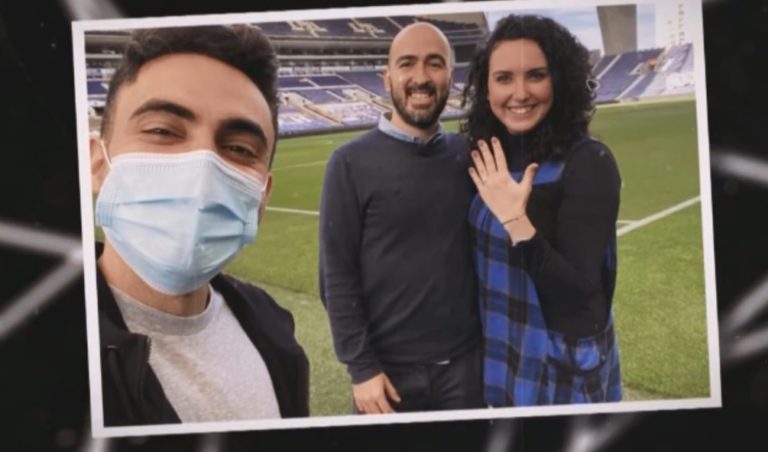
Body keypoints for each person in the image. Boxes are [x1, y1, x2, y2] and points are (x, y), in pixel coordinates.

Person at [90, 25, 309, 426]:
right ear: (98, 164)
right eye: (162, 130)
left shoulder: (275, 328)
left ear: (262, 196)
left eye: (239, 149)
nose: (203, 170)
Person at [318, 22, 483, 414]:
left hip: (465, 369)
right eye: (407, 64)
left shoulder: (468, 155)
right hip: (388, 378)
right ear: (387, 77)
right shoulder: (348, 163)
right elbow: (336, 275)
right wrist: (361, 369)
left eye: (435, 64)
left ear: (450, 75)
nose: (421, 78)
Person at [461, 14, 622, 406]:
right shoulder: (489, 153)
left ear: (560, 81)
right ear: (486, 88)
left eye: (536, 75)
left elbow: (578, 292)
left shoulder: (589, 161)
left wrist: (517, 221)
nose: (519, 93)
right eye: (503, 78)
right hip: (502, 348)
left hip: (561, 363)